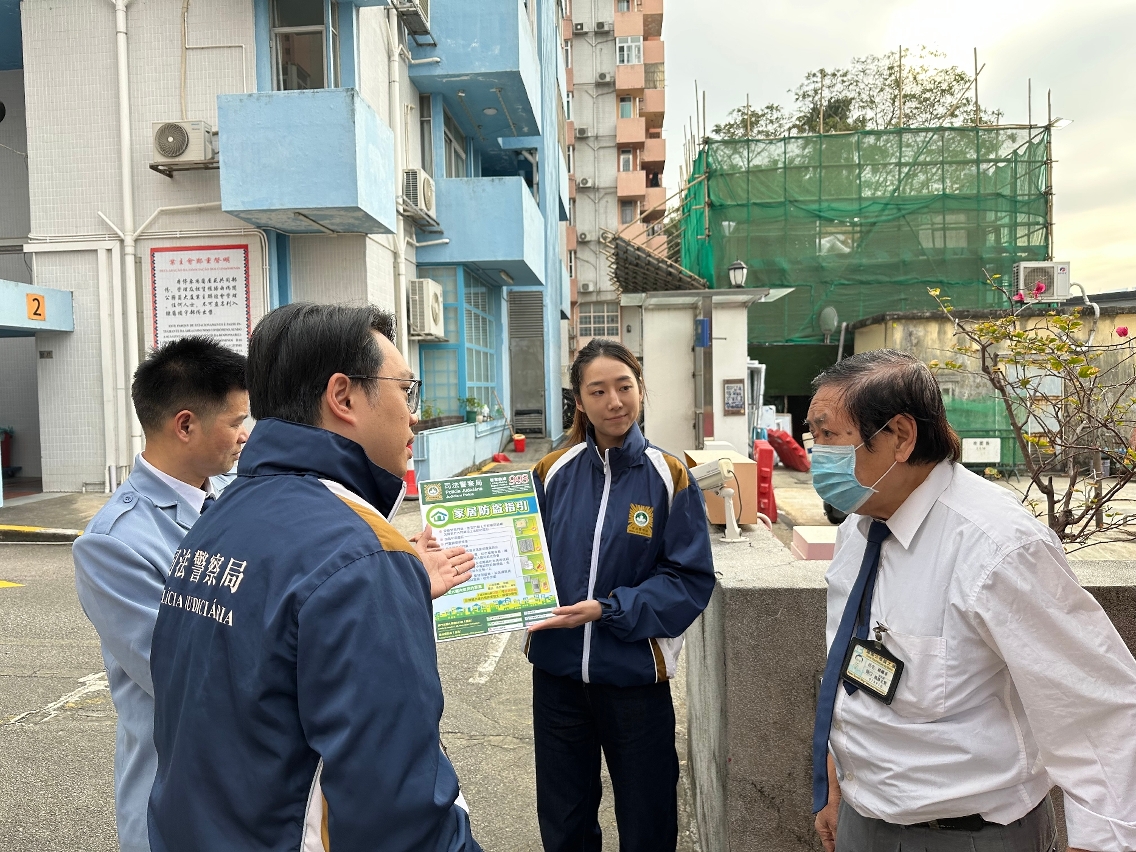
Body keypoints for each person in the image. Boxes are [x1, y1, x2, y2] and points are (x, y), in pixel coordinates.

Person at [147, 303, 481, 852]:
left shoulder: (219, 518)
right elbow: (396, 812)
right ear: (343, 397)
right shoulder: (362, 556)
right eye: (406, 391)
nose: (413, 417)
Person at [808, 349, 1136, 852]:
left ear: (900, 436)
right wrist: (837, 778)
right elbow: (851, 668)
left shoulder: (998, 548)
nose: (816, 454)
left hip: (969, 835)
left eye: (829, 434)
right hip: (864, 816)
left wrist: (1100, 842)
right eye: (813, 435)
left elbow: (1097, 708)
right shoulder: (860, 526)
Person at [526, 338, 715, 852]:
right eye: (598, 391)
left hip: (635, 679)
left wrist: (607, 610)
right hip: (558, 677)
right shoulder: (550, 472)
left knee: (647, 821)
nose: (614, 401)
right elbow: (521, 558)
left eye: (624, 387)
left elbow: (689, 579)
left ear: (641, 389)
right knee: (564, 821)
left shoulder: (669, 476)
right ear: (579, 402)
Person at [72, 337, 249, 852]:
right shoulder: (114, 544)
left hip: (252, 790)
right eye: (236, 422)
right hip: (179, 802)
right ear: (185, 425)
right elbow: (187, 677)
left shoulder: (238, 496)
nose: (246, 435)